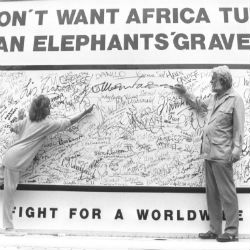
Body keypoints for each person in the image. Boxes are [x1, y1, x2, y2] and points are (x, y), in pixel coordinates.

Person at [1, 94, 94, 232]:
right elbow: (69, 122)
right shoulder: (48, 125)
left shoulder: (28, 120)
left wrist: (20, 118)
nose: (50, 108)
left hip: (10, 155)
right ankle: (8, 228)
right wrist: (85, 112)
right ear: (44, 110)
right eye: (48, 106)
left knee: (6, 188)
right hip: (16, 161)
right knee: (8, 195)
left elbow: (13, 127)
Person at [173, 66, 245, 242]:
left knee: (227, 193)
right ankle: (214, 229)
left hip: (223, 153)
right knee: (212, 194)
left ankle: (232, 231)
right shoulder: (214, 98)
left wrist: (237, 148)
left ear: (224, 80)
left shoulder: (235, 99)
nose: (211, 82)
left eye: (214, 79)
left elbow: (239, 127)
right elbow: (198, 105)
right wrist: (185, 93)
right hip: (209, 153)